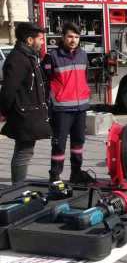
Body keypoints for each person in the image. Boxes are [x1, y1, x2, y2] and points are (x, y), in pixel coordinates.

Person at [42, 22, 95, 184]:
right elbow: (45, 82)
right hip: (61, 109)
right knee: (59, 144)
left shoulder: (83, 55)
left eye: (77, 37)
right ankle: (55, 176)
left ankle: (76, 173)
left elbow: (85, 77)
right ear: (63, 38)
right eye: (70, 37)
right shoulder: (52, 57)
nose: (73, 40)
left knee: (78, 143)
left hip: (81, 108)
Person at [0, 23, 51, 184]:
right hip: (23, 115)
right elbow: (8, 90)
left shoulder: (28, 56)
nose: (43, 42)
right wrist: (7, 113)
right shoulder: (18, 59)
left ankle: (18, 187)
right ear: (30, 40)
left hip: (29, 114)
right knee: (23, 153)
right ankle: (17, 189)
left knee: (26, 152)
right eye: (40, 39)